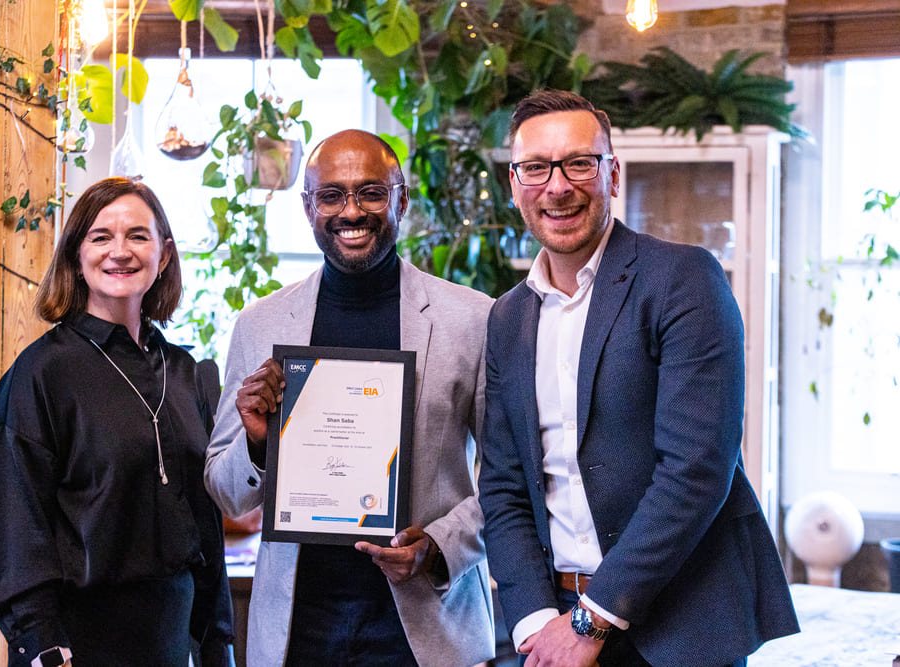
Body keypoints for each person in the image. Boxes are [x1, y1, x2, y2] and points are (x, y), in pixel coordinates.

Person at [477, 89, 799, 667]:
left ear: (612, 175)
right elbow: (502, 485)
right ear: (514, 184)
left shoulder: (683, 279)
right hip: (550, 626)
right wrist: (534, 623)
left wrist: (590, 620)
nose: (558, 186)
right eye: (536, 168)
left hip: (678, 628)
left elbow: (696, 469)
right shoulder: (506, 318)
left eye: (579, 163)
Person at [204, 129, 495, 666]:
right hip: (298, 633)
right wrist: (257, 444)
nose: (351, 211)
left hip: (426, 632)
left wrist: (438, 546)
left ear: (401, 199)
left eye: (371, 193)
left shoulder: (473, 319)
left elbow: (511, 480)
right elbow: (227, 493)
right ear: (308, 206)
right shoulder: (261, 324)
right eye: (332, 195)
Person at [0, 177, 234, 667]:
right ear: (77, 257)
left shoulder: (186, 373)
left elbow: (207, 530)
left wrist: (217, 640)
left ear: (163, 256)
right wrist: (45, 649)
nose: (119, 252)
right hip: (75, 644)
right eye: (101, 237)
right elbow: (23, 533)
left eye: (137, 236)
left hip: (170, 642)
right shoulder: (40, 373)